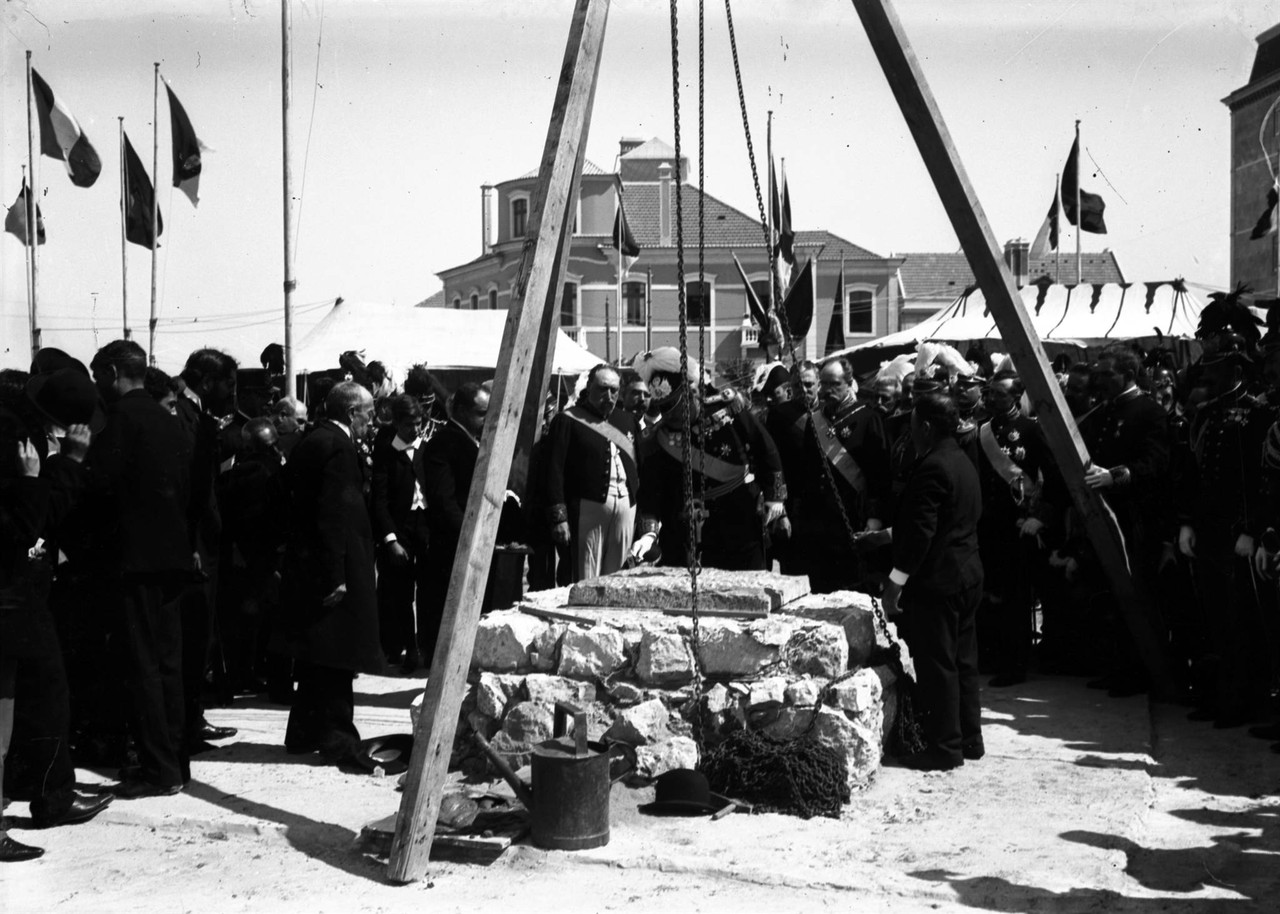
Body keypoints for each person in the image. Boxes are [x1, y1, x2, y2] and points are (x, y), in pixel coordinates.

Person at [88, 340, 195, 798]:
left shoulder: (118, 422)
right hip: (173, 559)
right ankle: (176, 762)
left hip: (134, 563)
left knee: (143, 666)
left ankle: (158, 769)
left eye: (99, 376)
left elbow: (98, 490)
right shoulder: (171, 422)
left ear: (113, 372)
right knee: (170, 663)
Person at [279, 381, 382, 767]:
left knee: (316, 652)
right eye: (369, 414)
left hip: (312, 562)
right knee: (338, 650)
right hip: (333, 564)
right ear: (352, 413)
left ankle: (303, 732)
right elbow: (331, 515)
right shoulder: (337, 446)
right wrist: (336, 573)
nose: (372, 422)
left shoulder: (315, 439)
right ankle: (337, 737)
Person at [882, 391, 983, 771]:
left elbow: (921, 533)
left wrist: (895, 582)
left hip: (940, 581)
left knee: (938, 664)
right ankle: (969, 737)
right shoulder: (961, 460)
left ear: (924, 427)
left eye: (912, 425)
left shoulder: (933, 467)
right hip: (968, 573)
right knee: (964, 660)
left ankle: (944, 748)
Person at [634, 348, 786, 572]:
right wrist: (648, 533)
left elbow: (765, 447)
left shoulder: (726, 408)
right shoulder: (658, 438)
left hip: (739, 511)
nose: (670, 414)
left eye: (675, 405)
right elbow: (651, 491)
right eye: (663, 408)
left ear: (689, 392)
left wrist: (775, 498)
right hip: (691, 524)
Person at [173, 349, 240, 753]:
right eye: (227, 384)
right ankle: (187, 723)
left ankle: (192, 717)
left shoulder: (197, 416)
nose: (232, 393)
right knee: (192, 636)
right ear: (207, 381)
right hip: (194, 548)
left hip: (206, 545)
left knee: (202, 637)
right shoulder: (184, 416)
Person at [974, 371, 1056, 687]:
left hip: (1017, 525)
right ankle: (992, 656)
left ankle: (1015, 663)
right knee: (989, 592)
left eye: (999, 394)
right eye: (990, 393)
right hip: (987, 523)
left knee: (1015, 597)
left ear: (1016, 396)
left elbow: (1051, 476)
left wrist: (1041, 516)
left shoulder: (1030, 430)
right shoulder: (982, 431)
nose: (991, 399)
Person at [786, 357, 889, 592]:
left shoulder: (868, 418)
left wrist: (875, 517)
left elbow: (879, 474)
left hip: (853, 517)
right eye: (824, 384)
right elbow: (809, 469)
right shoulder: (817, 420)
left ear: (849, 382)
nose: (828, 390)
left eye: (835, 384)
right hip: (820, 523)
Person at [545, 365, 640, 582]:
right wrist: (559, 517)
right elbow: (554, 470)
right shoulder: (567, 420)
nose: (609, 396)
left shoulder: (627, 421)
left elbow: (639, 468)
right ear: (589, 387)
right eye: (602, 389)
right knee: (585, 578)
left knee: (617, 579)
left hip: (626, 508)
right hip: (587, 509)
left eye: (614, 390)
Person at [419, 383, 494, 648]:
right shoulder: (444, 443)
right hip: (453, 542)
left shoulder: (474, 441)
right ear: (461, 410)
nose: (486, 419)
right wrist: (469, 533)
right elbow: (443, 500)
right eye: (481, 413)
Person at [371, 394, 432, 673]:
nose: (415, 430)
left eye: (419, 423)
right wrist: (390, 539)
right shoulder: (386, 453)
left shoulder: (427, 450)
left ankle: (428, 647)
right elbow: (379, 501)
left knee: (429, 592)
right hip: (401, 528)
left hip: (426, 526)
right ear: (396, 423)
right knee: (401, 594)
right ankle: (407, 648)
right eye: (409, 425)